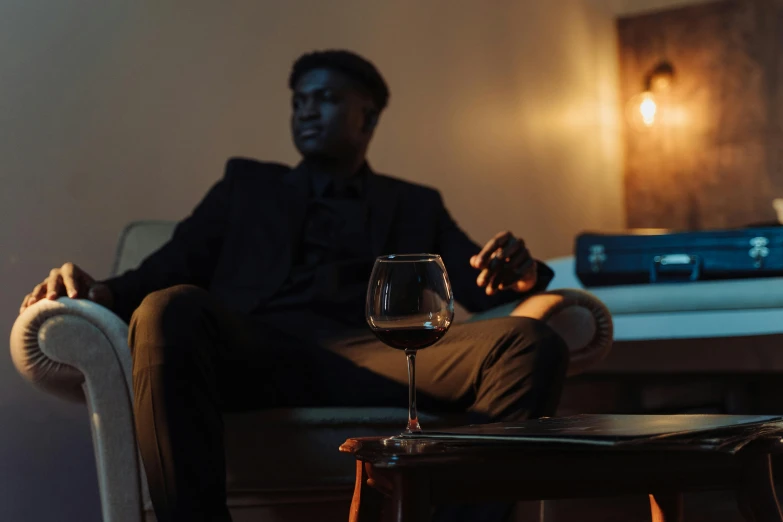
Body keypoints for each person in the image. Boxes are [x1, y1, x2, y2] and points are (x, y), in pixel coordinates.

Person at [19, 50, 568, 522]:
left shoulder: (413, 203)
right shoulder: (245, 186)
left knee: (531, 343)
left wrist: (519, 274)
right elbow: (166, 267)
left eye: (325, 97)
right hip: (256, 353)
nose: (306, 109)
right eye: (298, 100)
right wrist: (97, 292)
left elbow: (475, 284)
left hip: (377, 356)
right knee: (166, 309)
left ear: (367, 116)